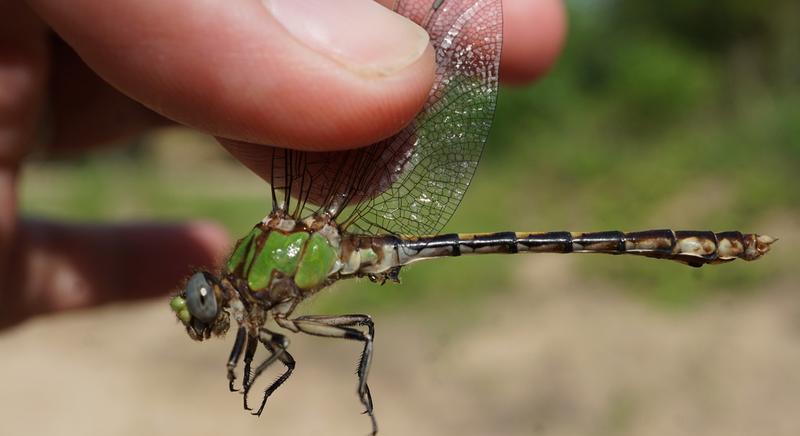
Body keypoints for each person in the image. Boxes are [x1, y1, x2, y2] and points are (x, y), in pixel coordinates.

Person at [0, 0, 566, 329]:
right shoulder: (255, 296)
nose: (199, 303)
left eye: (202, 299)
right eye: (201, 299)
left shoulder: (262, 270)